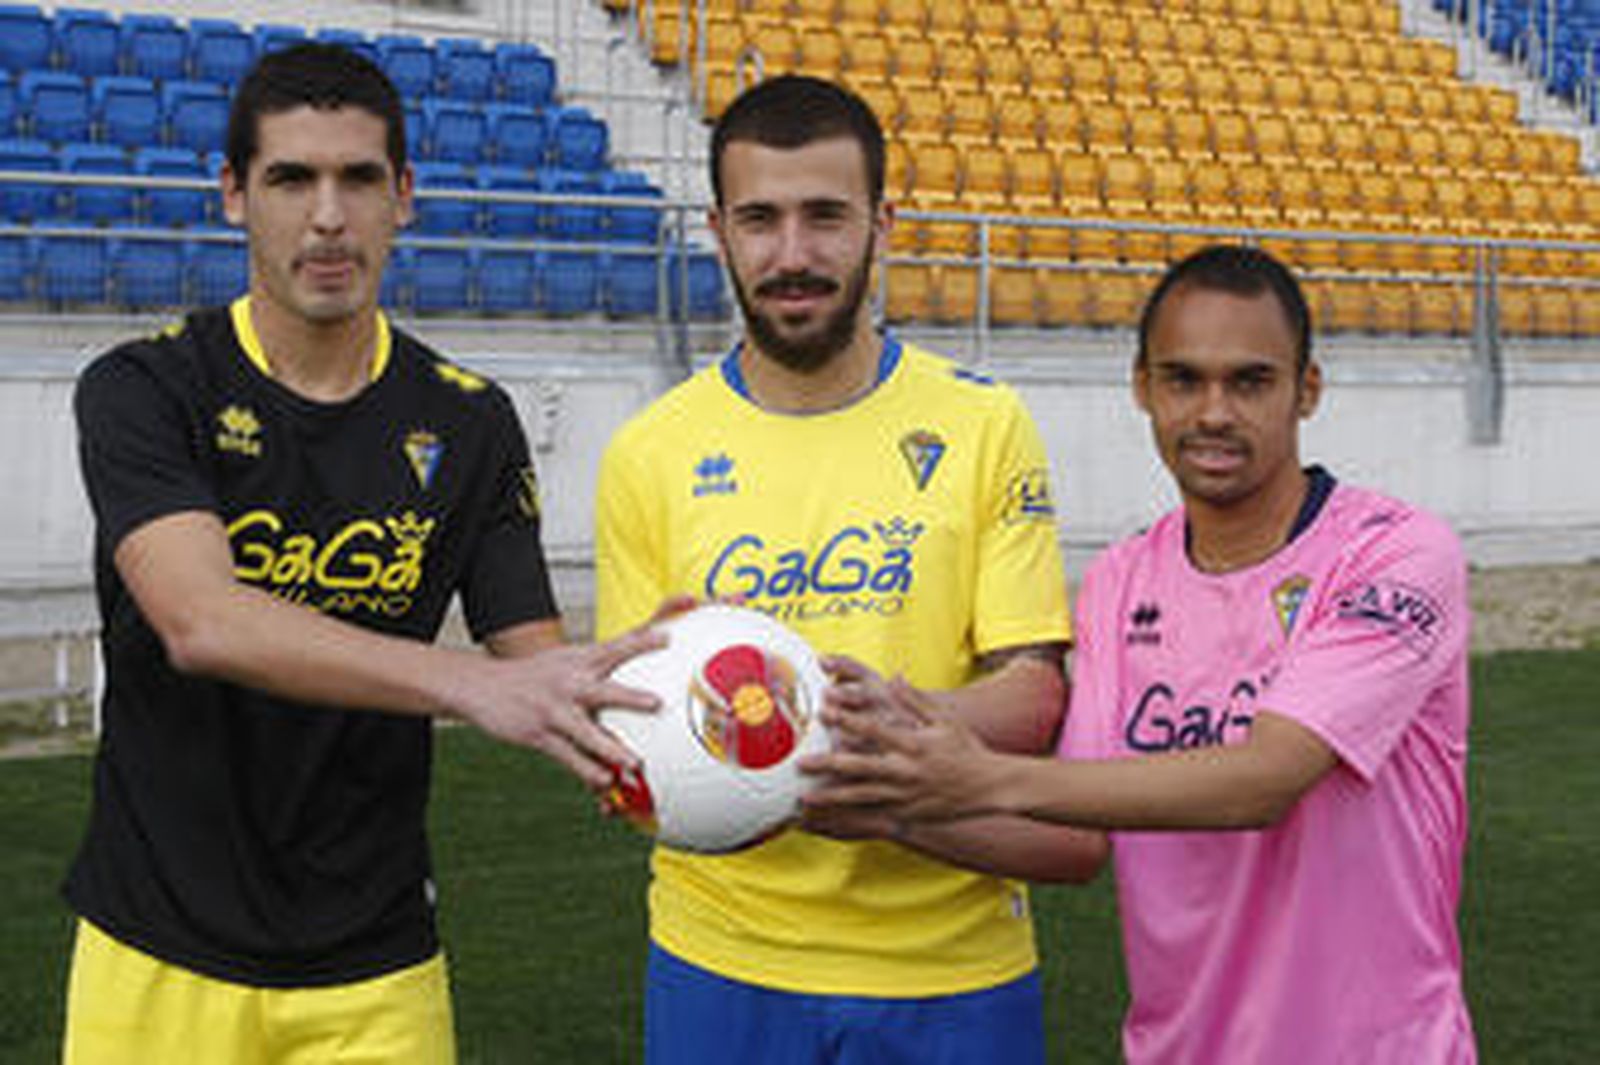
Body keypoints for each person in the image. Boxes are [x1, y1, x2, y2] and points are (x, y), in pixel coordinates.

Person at [64, 43, 660, 1065]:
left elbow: (531, 662)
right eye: (291, 179)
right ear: (233, 197)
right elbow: (199, 621)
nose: (328, 216)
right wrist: (463, 686)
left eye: (359, 179)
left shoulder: (469, 421)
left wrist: (672, 691)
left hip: (374, 962)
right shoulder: (146, 387)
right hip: (153, 945)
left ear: (404, 198)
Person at [805, 244, 1478, 1063]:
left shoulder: (1396, 553)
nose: (1214, 412)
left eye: (1251, 380)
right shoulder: (1122, 579)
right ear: (1142, 387)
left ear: (1308, 389)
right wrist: (880, 804)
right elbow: (1076, 841)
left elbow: (1265, 778)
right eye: (1184, 379)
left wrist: (985, 775)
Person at [594, 75, 1103, 1064]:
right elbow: (635, 716)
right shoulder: (648, 453)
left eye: (825, 216)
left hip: (952, 964)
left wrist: (814, 738)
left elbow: (1034, 694)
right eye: (761, 219)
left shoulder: (982, 424)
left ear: (883, 222)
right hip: (723, 957)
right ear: (717, 229)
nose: (793, 254)